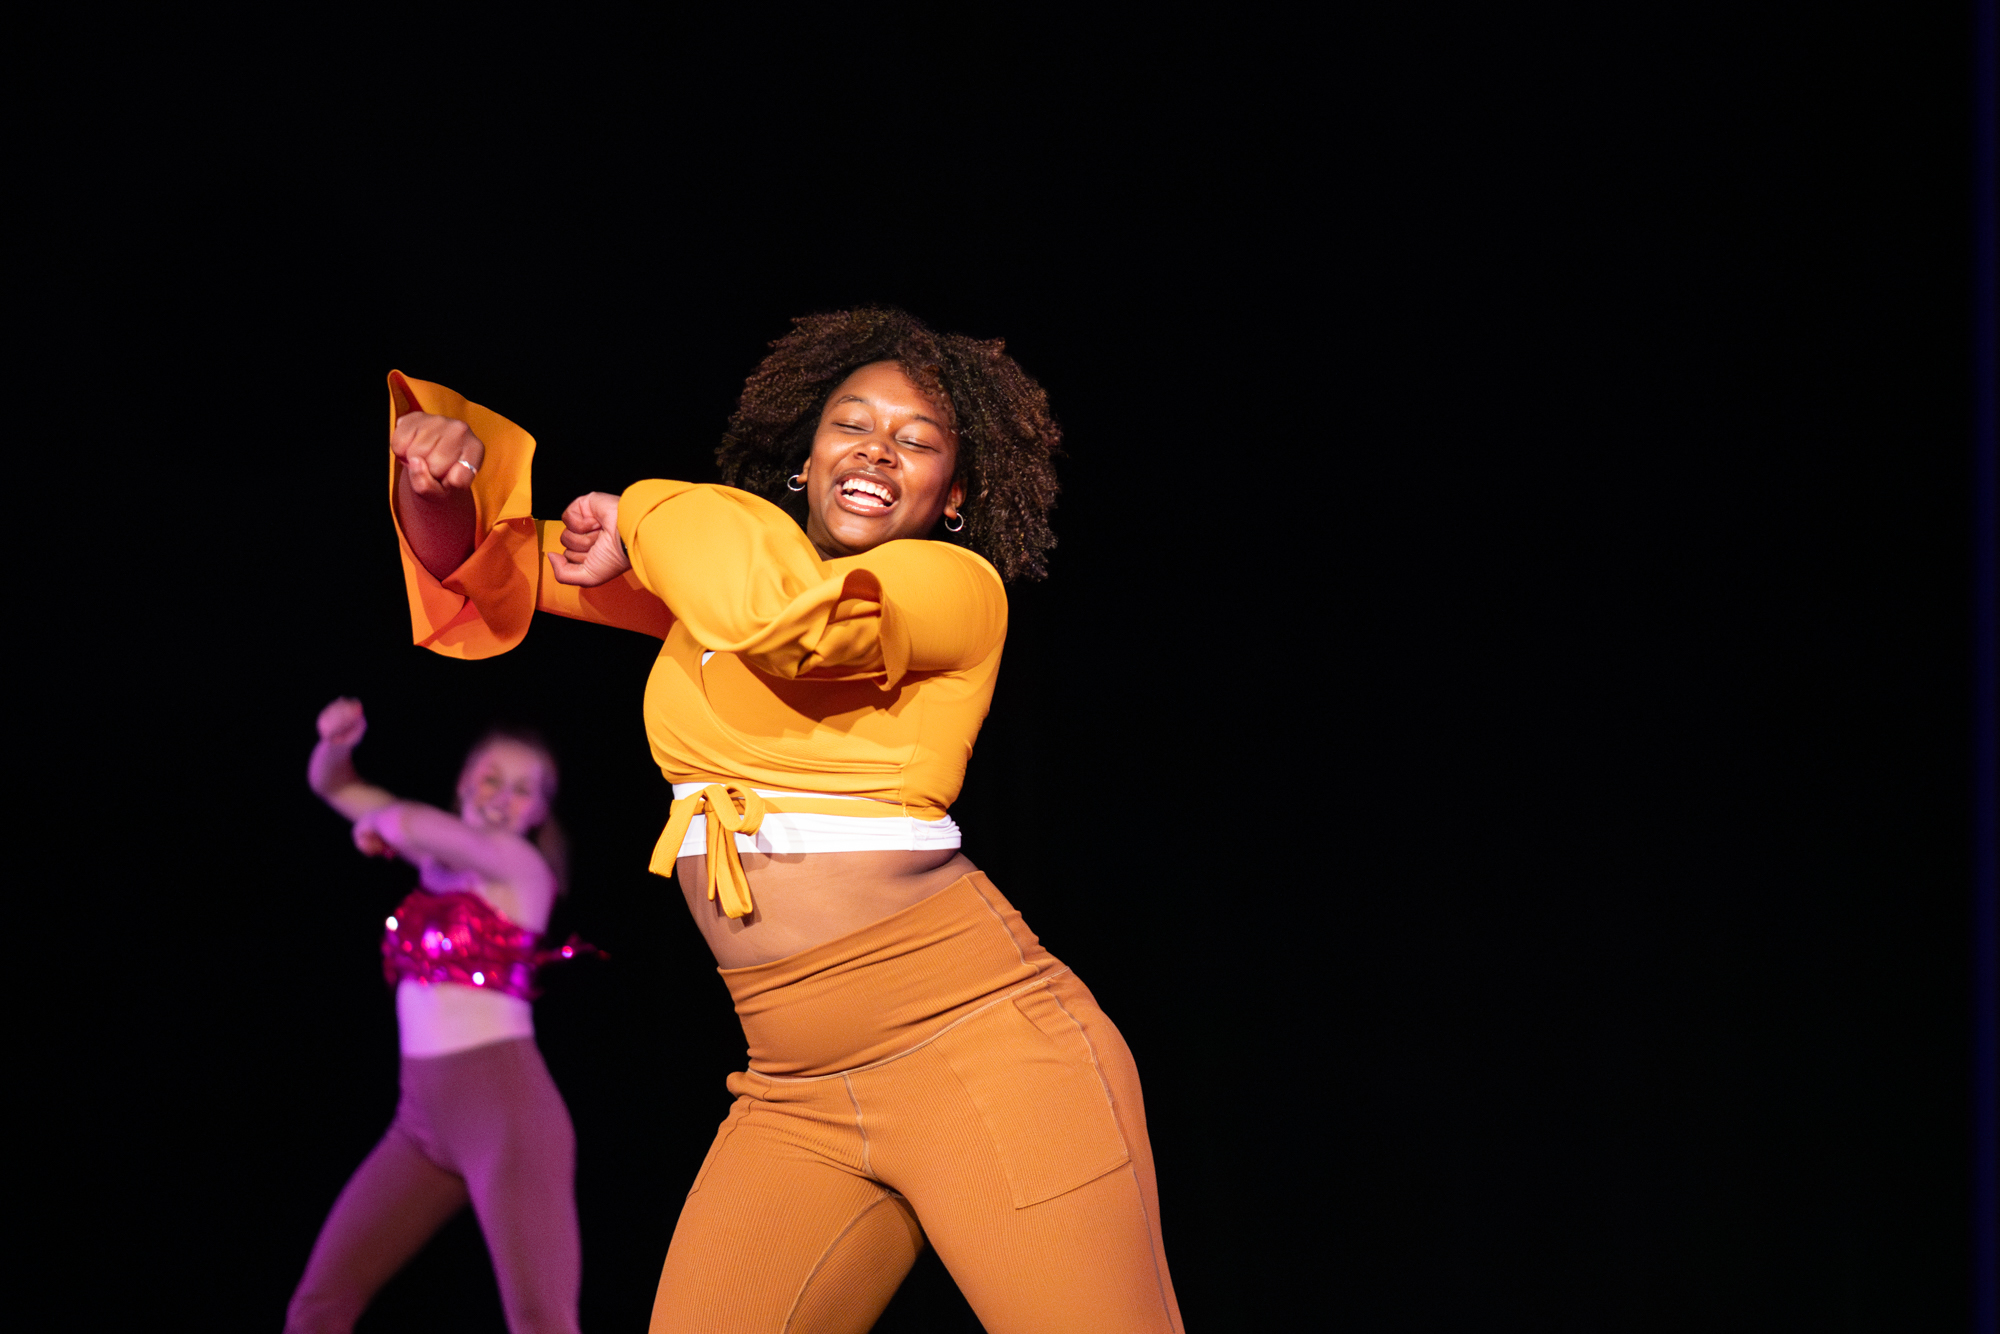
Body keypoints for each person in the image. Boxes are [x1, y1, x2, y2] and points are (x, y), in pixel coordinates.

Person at [386, 307, 1182, 1333]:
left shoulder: (951, 585)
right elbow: (495, 569)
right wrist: (431, 490)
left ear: (954, 495)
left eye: (916, 441)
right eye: (851, 424)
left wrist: (650, 510)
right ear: (803, 458)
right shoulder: (711, 582)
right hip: (792, 1085)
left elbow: (788, 627)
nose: (876, 452)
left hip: (982, 1051)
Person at [285, 698, 583, 1334]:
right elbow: (331, 784)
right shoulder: (436, 862)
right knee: (317, 1308)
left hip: (504, 1117)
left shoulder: (520, 869)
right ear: (463, 780)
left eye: (523, 790)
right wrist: (337, 742)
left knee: (542, 1324)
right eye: (492, 777)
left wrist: (388, 823)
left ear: (538, 811)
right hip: (419, 1121)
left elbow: (413, 824)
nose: (504, 796)